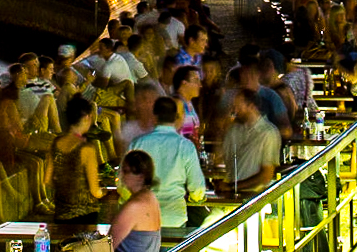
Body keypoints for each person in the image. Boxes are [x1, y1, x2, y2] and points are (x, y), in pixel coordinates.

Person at [130, 96, 210, 239]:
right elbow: (197, 189)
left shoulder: (137, 144)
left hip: (142, 217)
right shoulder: (185, 146)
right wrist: (194, 199)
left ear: (154, 117)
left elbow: (124, 186)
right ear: (176, 117)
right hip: (174, 218)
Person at [51, 95, 109, 224]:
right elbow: (95, 191)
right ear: (87, 117)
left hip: (61, 214)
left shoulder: (55, 144)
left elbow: (48, 179)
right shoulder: (87, 148)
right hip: (85, 216)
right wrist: (104, 191)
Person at [219, 89, 283, 195]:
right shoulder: (233, 130)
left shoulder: (268, 133)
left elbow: (266, 176)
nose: (234, 110)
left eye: (238, 106)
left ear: (251, 106)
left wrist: (233, 187)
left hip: (254, 197)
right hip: (229, 194)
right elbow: (223, 161)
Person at [111, 151, 163, 252]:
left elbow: (108, 246)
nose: (122, 176)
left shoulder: (134, 206)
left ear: (140, 176)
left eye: (126, 171)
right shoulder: (150, 197)